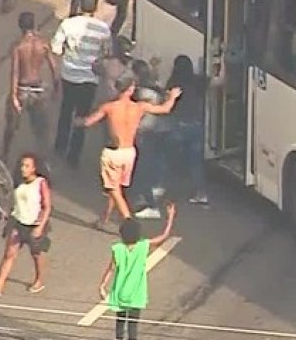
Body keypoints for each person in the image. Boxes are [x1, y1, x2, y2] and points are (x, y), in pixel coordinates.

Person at [77, 74, 182, 228]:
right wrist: (172, 96)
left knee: (113, 189)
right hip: (129, 152)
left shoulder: (109, 107)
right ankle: (104, 219)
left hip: (113, 152)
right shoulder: (140, 107)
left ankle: (128, 221)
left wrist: (78, 121)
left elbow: (88, 122)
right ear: (131, 89)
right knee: (117, 188)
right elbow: (165, 109)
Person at [99, 201, 177, 340]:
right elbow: (163, 236)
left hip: (120, 292)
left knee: (120, 321)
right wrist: (170, 218)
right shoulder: (143, 246)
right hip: (136, 294)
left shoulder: (117, 249)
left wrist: (102, 285)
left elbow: (111, 268)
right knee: (133, 327)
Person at [51, 0, 111, 168]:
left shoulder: (68, 24)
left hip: (69, 74)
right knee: (82, 115)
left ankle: (60, 146)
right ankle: (74, 155)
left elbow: (56, 48)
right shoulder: (103, 29)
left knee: (66, 110)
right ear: (95, 7)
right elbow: (106, 53)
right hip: (90, 78)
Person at [0, 153, 54, 298]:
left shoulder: (40, 183)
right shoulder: (18, 182)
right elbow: (13, 201)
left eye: (27, 166)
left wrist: (40, 226)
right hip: (18, 222)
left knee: (36, 255)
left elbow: (47, 206)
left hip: (34, 224)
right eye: (22, 165)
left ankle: (39, 279)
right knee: (9, 254)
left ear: (34, 168)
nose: (23, 168)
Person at [2, 11, 59, 158]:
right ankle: (43, 159)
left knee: (11, 127)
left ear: (20, 26)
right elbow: (54, 67)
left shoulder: (18, 46)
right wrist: (56, 88)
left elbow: (15, 71)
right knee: (40, 128)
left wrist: (14, 95)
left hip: (22, 88)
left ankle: (5, 154)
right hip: (38, 88)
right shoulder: (43, 43)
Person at [165, 54, 214, 206]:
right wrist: (222, 64)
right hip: (195, 125)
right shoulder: (198, 80)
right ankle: (200, 193)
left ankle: (170, 193)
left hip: (179, 125)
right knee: (195, 162)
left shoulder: (174, 82)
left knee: (173, 160)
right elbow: (220, 81)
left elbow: (167, 102)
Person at [129, 59, 171, 219]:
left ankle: (148, 203)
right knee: (156, 160)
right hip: (161, 129)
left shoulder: (142, 93)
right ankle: (157, 186)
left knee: (143, 166)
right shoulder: (157, 87)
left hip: (145, 131)